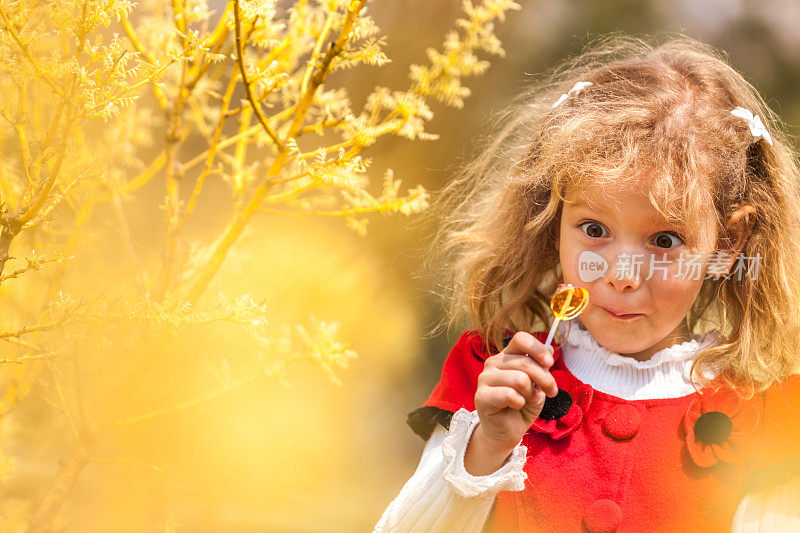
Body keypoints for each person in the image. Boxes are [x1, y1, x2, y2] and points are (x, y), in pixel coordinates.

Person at [374, 35, 800, 532]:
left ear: (728, 241)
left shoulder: (767, 411)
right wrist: (486, 448)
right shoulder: (493, 381)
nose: (621, 275)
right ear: (554, 219)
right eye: (594, 230)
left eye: (665, 239)